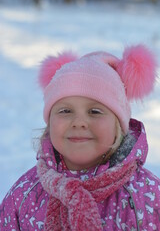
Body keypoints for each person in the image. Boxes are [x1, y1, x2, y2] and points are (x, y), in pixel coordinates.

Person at [0, 44, 160, 231]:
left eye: (94, 111)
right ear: (50, 123)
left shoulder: (146, 195)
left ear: (118, 126)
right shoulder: (25, 194)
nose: (78, 122)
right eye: (65, 110)